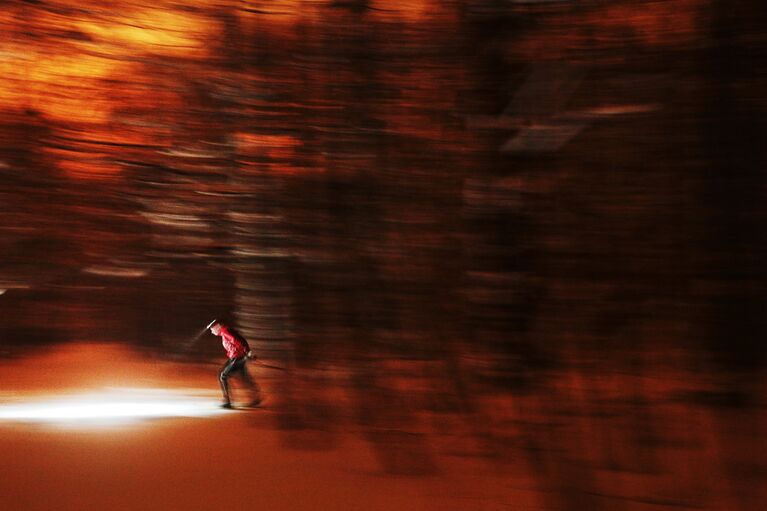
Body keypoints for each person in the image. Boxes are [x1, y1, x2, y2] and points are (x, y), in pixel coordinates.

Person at [208, 320, 262, 409]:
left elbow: (238, 341)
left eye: (212, 328)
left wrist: (248, 352)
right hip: (236, 357)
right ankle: (255, 398)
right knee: (243, 377)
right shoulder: (224, 332)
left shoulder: (225, 331)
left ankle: (227, 401)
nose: (211, 331)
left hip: (237, 357)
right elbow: (240, 340)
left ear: (217, 326)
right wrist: (247, 352)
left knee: (223, 376)